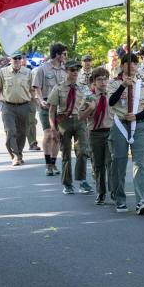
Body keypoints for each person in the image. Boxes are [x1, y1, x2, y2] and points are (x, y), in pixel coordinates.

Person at [107, 54, 144, 214]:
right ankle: (120, 198)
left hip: (139, 126)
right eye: (128, 62)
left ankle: (141, 201)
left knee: (140, 164)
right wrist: (123, 87)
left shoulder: (143, 86)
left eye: (135, 62)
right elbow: (111, 102)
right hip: (120, 125)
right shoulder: (114, 83)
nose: (132, 65)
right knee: (119, 162)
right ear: (122, 65)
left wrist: (136, 116)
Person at [47, 61, 92, 195]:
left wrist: (90, 109)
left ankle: (82, 181)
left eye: (77, 70)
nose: (75, 72)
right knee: (66, 153)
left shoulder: (83, 88)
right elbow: (52, 110)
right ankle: (67, 183)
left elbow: (91, 101)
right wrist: (53, 129)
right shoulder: (59, 88)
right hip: (64, 121)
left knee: (83, 151)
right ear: (66, 71)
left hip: (80, 120)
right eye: (72, 70)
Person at [33, 42, 69, 176]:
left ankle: (53, 163)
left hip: (61, 107)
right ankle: (47, 164)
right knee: (48, 134)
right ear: (57, 54)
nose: (66, 56)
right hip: (47, 106)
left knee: (57, 137)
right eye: (64, 54)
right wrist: (41, 100)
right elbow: (36, 86)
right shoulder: (43, 68)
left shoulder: (66, 69)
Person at [0, 53, 34, 166]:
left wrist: (37, 103)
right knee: (10, 131)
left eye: (19, 58)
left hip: (24, 106)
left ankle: (19, 154)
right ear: (10, 60)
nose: (16, 60)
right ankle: (15, 155)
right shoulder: (3, 72)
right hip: (8, 106)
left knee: (22, 132)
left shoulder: (28, 72)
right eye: (14, 58)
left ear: (22, 60)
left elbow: (32, 90)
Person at [81, 67, 113, 205]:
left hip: (111, 132)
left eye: (105, 79)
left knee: (111, 163)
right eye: (99, 79)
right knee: (98, 165)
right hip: (95, 134)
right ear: (93, 81)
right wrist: (90, 108)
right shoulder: (89, 97)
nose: (103, 82)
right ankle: (101, 192)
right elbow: (80, 116)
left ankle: (114, 191)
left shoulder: (113, 95)